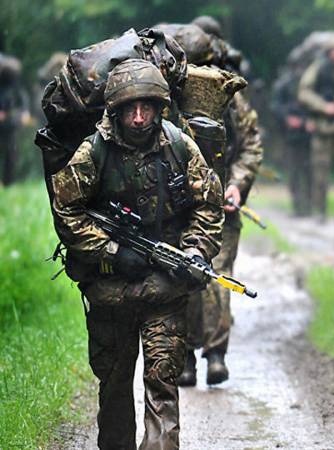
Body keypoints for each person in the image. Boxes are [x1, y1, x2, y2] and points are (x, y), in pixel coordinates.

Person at [50, 59, 223, 449]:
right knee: (113, 391)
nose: (140, 118)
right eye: (131, 109)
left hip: (165, 290)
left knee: (162, 383)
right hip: (111, 294)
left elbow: (208, 206)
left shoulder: (180, 145)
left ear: (160, 108)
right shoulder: (93, 152)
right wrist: (111, 251)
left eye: (147, 108)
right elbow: (67, 212)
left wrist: (195, 250)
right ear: (117, 111)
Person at [170, 26, 264, 387]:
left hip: (224, 204)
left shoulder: (231, 97)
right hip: (180, 206)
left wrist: (238, 186)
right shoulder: (165, 95)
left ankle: (215, 354)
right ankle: (188, 358)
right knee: (183, 279)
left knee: (218, 281)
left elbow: (251, 146)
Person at [298, 31, 334, 222]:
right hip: (322, 126)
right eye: (333, 50)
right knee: (320, 171)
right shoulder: (318, 68)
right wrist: (324, 107)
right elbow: (304, 92)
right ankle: (320, 210)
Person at [272, 45, 314, 216]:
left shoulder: (309, 84)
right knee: (294, 171)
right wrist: (288, 119)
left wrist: (307, 121)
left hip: (307, 134)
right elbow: (275, 106)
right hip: (290, 135)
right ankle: (297, 205)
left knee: (309, 170)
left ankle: (309, 206)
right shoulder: (284, 84)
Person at [0, 53, 29, 185]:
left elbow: (22, 98)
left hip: (10, 124)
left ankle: (8, 182)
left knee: (11, 153)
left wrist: (24, 112)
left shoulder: (14, 82)